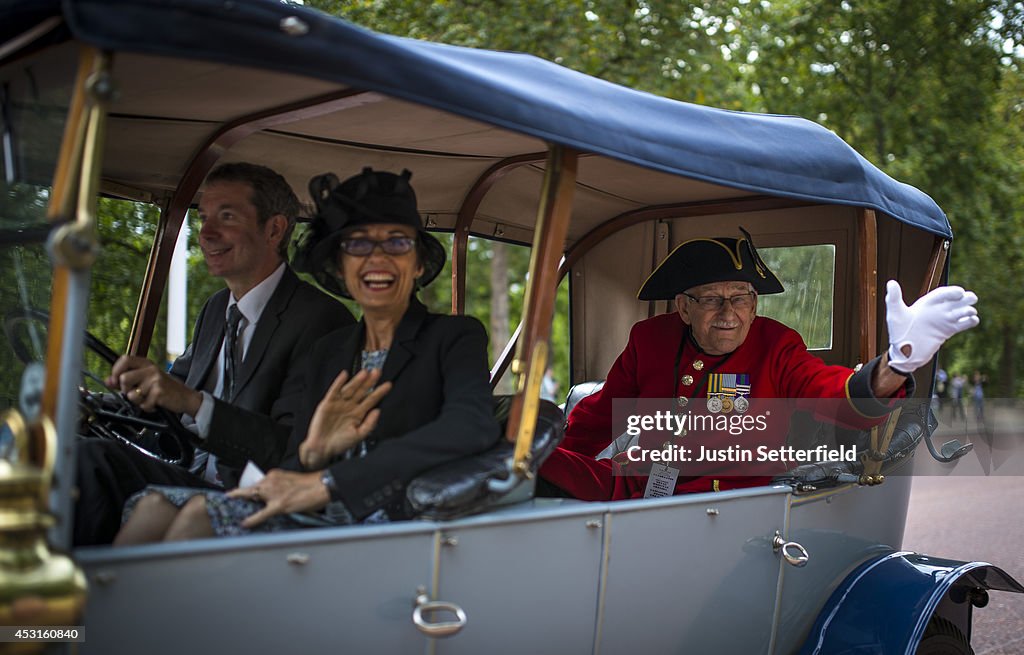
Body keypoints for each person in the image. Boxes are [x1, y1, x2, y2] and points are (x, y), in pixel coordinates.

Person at [113, 167, 500, 543]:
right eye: (358, 245)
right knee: (152, 505)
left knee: (201, 514)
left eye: (397, 242)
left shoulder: (454, 336)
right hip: (319, 513)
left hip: (394, 520)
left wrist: (329, 482)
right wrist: (314, 453)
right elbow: (294, 462)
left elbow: (470, 427)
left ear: (417, 265)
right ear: (341, 268)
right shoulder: (328, 352)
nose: (376, 258)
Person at [539, 233, 979, 500]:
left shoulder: (777, 344)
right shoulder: (650, 338)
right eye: (711, 298)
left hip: (728, 504)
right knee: (524, 465)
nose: (728, 311)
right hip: (640, 482)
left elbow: (831, 392)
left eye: (742, 297)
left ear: (753, 306)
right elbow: (596, 419)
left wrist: (897, 364)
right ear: (684, 307)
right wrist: (554, 460)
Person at [74, 162, 355, 545]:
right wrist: (95, 403)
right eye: (204, 217)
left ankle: (68, 594)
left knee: (92, 462)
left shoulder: (320, 320)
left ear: (274, 229)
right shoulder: (216, 309)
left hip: (248, 489)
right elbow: (169, 396)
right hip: (185, 466)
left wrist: (191, 401)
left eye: (227, 216)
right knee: (73, 447)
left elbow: (295, 447)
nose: (205, 232)